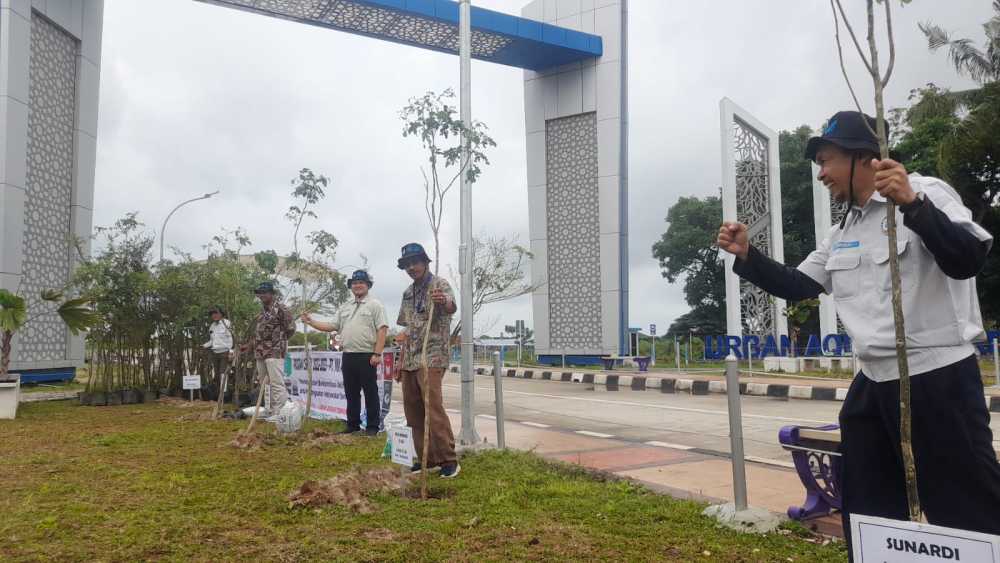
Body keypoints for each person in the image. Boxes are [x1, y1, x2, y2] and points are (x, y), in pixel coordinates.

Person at [717, 110, 999, 545]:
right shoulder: (843, 229)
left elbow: (967, 260)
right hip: (873, 382)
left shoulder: (926, 193)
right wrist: (748, 255)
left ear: (864, 158)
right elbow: (799, 285)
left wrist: (913, 206)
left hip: (938, 377)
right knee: (869, 507)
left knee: (966, 507)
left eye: (827, 161)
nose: (822, 174)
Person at [394, 243, 460, 478]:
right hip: (410, 357)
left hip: (432, 355)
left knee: (433, 406)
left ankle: (448, 459)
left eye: (416, 262)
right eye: (407, 265)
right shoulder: (407, 293)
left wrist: (442, 301)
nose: (412, 267)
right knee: (413, 410)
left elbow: (451, 307)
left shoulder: (439, 284)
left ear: (425, 262)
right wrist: (399, 363)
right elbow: (407, 330)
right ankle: (426, 458)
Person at [301, 270, 389, 436]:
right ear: (351, 287)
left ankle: (372, 427)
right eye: (354, 283)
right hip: (348, 355)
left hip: (367, 354)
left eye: (361, 282)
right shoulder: (345, 307)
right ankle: (353, 425)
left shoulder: (375, 305)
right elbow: (332, 326)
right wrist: (311, 321)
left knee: (370, 392)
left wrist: (377, 353)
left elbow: (382, 329)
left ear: (368, 285)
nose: (357, 285)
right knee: (351, 393)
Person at [242, 282, 296, 417]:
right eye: (260, 293)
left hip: (275, 352)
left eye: (265, 292)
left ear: (272, 294)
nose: (262, 295)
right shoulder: (262, 313)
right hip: (260, 353)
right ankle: (270, 411)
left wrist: (278, 341)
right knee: (265, 384)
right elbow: (258, 334)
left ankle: (280, 413)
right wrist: (249, 345)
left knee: (277, 383)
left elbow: (291, 328)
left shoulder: (281, 309)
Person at [202, 307, 233, 388]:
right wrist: (204, 345)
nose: (214, 315)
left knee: (223, 373)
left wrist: (231, 352)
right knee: (217, 374)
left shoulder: (227, 323)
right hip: (215, 353)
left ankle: (224, 394)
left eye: (216, 313)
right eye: (212, 314)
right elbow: (212, 341)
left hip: (225, 352)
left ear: (221, 314)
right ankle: (220, 392)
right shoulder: (212, 326)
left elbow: (231, 338)